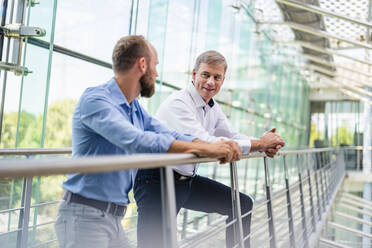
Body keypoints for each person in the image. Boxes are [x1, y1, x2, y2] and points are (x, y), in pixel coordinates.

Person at [54, 37, 239, 248]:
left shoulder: (134, 108)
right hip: (84, 217)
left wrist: (210, 146)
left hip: (113, 217)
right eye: (155, 66)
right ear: (142, 64)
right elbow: (136, 140)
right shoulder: (96, 99)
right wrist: (204, 147)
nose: (156, 74)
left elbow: (168, 133)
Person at [134, 50, 285, 248]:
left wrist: (265, 145)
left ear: (223, 80)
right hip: (157, 182)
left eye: (217, 77)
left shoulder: (212, 107)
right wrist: (261, 144)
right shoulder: (178, 103)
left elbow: (233, 136)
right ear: (194, 74)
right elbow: (205, 142)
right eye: (206, 75)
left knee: (241, 205)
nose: (210, 82)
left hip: (185, 182)